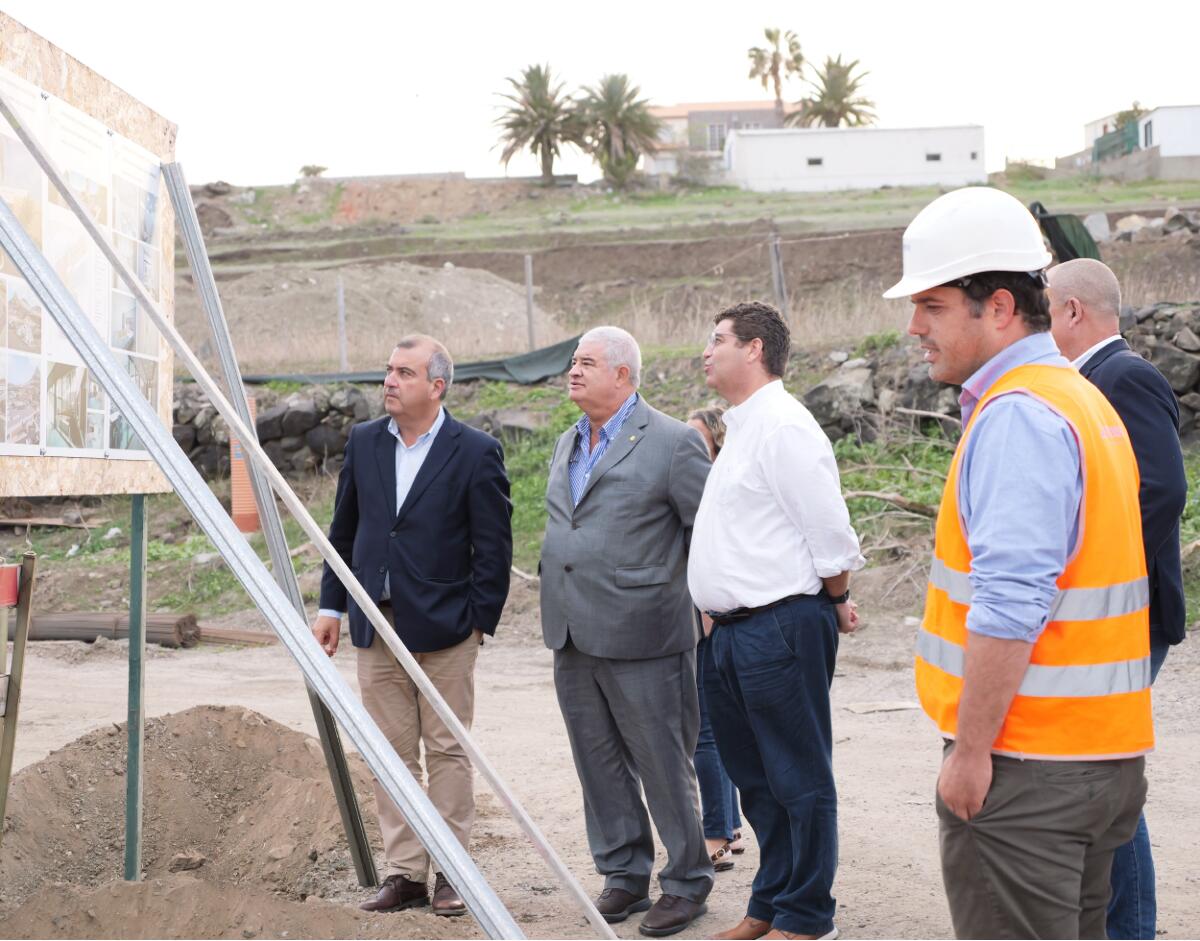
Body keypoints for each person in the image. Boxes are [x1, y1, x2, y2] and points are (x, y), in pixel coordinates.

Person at [886, 186, 1154, 939]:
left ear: (997, 306)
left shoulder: (1019, 416)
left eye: (932, 306)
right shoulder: (1077, 397)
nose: (914, 327)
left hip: (1027, 767)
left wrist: (970, 754)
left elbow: (1010, 602)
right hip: (1096, 757)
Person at [311, 335, 512, 916]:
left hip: (448, 630)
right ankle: (405, 875)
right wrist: (332, 607)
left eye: (404, 372)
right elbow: (343, 532)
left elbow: (493, 549)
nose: (390, 382)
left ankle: (452, 871)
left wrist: (477, 624)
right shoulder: (365, 441)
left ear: (436, 386)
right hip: (375, 622)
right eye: (388, 372)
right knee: (389, 753)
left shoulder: (475, 451)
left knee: (447, 750)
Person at [688, 301, 864, 941]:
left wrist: (835, 597)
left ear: (755, 348)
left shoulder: (786, 426)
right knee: (756, 780)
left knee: (799, 778)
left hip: (779, 626)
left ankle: (808, 917)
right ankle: (770, 903)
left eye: (718, 340)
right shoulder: (743, 429)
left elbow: (830, 532)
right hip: (729, 632)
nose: (706, 352)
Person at [540, 325, 714, 938]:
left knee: (664, 763)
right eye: (572, 361)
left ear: (623, 374)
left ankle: (688, 881)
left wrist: (706, 606)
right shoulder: (569, 441)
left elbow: (706, 533)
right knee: (598, 761)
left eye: (587, 362)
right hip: (572, 628)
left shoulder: (671, 443)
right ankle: (624, 873)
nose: (573, 370)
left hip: (645, 631)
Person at [1047, 257, 1187, 940]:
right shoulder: (1082, 383)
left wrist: (1102, 574)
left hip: (1126, 612)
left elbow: (1162, 488)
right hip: (1107, 612)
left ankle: (1130, 927)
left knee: (1104, 780)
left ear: (1072, 310)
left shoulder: (1123, 376)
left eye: (1043, 309)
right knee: (1093, 777)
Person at [686, 406, 745, 874]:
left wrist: (707, 611)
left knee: (705, 731)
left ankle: (718, 835)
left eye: (695, 440)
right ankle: (731, 827)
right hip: (704, 613)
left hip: (710, 616)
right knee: (718, 730)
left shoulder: (716, 488)